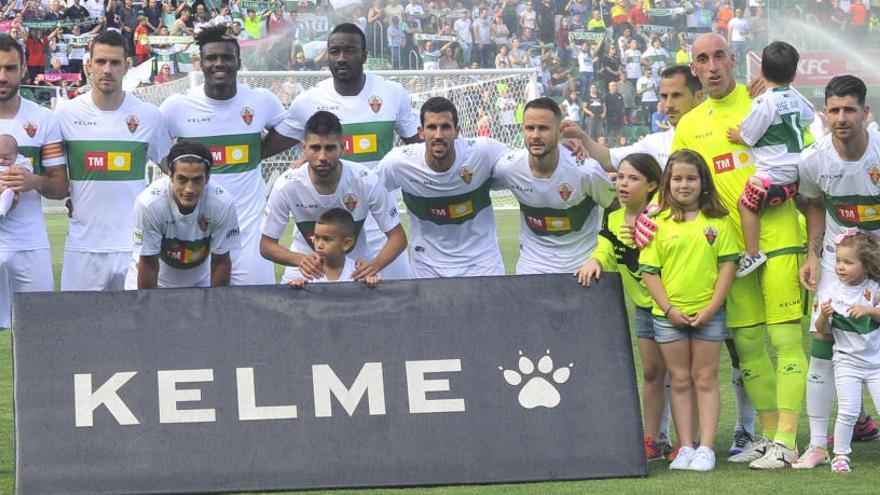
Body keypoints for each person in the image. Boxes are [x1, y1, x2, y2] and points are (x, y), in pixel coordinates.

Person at [673, 33, 806, 469]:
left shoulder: (765, 101)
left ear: (734, 60)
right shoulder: (689, 124)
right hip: (731, 253)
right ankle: (768, 435)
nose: (712, 66)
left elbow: (805, 157)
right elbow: (679, 184)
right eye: (702, 60)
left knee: (785, 338)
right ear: (694, 69)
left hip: (781, 236)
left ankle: (787, 439)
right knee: (748, 345)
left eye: (718, 57)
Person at [265, 23, 421, 280]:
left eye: (349, 50)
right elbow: (265, 148)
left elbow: (420, 148)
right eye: (334, 51)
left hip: (378, 223)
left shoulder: (392, 93)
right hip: (324, 229)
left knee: (397, 301)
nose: (341, 58)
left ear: (365, 54)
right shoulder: (308, 101)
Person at [793, 74, 880, 469]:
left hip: (877, 257)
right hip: (836, 257)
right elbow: (813, 204)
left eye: (849, 109)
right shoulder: (813, 160)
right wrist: (813, 255)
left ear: (866, 112)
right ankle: (815, 444)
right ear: (824, 113)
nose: (841, 117)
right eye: (833, 110)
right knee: (823, 338)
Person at [159, 25, 285, 286]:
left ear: (238, 62)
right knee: (195, 314)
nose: (219, 63)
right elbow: (154, 147)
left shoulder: (262, 101)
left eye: (227, 57)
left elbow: (292, 130)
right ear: (201, 63)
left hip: (248, 234)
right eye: (211, 58)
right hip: (196, 232)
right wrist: (178, 177)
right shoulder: (176, 106)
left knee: (255, 310)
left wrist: (257, 152)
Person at [641, 149, 739, 471]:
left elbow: (727, 267)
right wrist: (668, 309)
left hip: (708, 315)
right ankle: (685, 446)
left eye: (691, 178)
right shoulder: (657, 223)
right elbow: (649, 271)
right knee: (680, 380)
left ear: (703, 183)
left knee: (705, 378)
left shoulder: (719, 222)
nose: (684, 185)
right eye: (678, 179)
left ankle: (707, 448)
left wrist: (712, 308)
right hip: (669, 318)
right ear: (668, 183)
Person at [56, 30, 171, 291]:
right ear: (88, 66)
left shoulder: (148, 116)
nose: (107, 69)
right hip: (83, 247)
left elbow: (174, 171)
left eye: (115, 62)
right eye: (100, 62)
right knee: (79, 328)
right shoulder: (65, 115)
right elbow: (52, 174)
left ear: (127, 66)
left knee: (136, 328)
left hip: (134, 247)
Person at [580, 152, 676, 459]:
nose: (623, 184)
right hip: (645, 310)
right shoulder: (614, 218)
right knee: (651, 372)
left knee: (682, 375)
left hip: (672, 306)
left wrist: (640, 241)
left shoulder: (664, 216)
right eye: (620, 177)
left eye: (633, 178)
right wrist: (595, 260)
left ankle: (691, 442)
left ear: (651, 185)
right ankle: (653, 440)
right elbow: (605, 249)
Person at [260, 111, 406, 285]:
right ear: (304, 148)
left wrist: (374, 265)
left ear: (342, 148)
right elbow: (266, 245)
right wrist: (300, 260)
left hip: (354, 270)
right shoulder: (286, 185)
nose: (322, 157)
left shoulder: (366, 180)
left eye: (329, 148)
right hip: (304, 268)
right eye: (315, 148)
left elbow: (398, 237)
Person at [374, 97, 509, 278]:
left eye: (445, 127)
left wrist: (560, 147)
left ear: (457, 131)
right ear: (421, 132)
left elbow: (526, 165)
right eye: (431, 127)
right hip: (427, 266)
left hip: (482, 263)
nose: (438, 135)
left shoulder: (483, 152)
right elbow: (365, 191)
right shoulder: (399, 162)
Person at [493, 97, 615, 275]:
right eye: (530, 128)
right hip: (531, 269)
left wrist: (601, 252)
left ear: (559, 132)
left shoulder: (586, 170)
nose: (535, 135)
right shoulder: (508, 168)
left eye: (543, 128)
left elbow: (614, 204)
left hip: (583, 268)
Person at [727, 41, 812, 277]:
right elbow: (807, 118)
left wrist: (738, 135)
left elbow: (751, 135)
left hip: (773, 173)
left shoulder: (763, 102)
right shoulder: (796, 98)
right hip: (797, 169)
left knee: (745, 204)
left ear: (761, 71)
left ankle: (752, 252)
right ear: (794, 74)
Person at [0, 34, 68, 329]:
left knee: (39, 330)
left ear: (24, 68)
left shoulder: (43, 119)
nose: (2, 76)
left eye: (10, 68)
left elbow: (60, 187)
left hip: (31, 242)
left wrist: (32, 181)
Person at [126, 140, 239, 290]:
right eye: (182, 179)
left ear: (208, 178)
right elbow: (149, 263)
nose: (189, 189)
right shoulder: (149, 204)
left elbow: (221, 262)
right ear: (170, 175)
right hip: (153, 280)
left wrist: (215, 306)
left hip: (199, 282)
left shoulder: (222, 204)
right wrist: (149, 308)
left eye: (197, 179)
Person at [812, 231, 880, 473]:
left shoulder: (873, 288)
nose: (840, 267)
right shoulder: (830, 291)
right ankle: (841, 455)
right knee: (848, 410)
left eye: (848, 262)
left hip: (876, 363)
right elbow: (821, 331)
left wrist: (869, 311)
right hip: (847, 362)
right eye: (838, 261)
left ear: (866, 264)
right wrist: (823, 315)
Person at [287, 208, 383, 288]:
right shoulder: (308, 272)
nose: (319, 245)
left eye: (326, 239)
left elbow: (374, 298)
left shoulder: (358, 272)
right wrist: (298, 285)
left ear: (346, 244)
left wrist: (372, 281)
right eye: (317, 238)